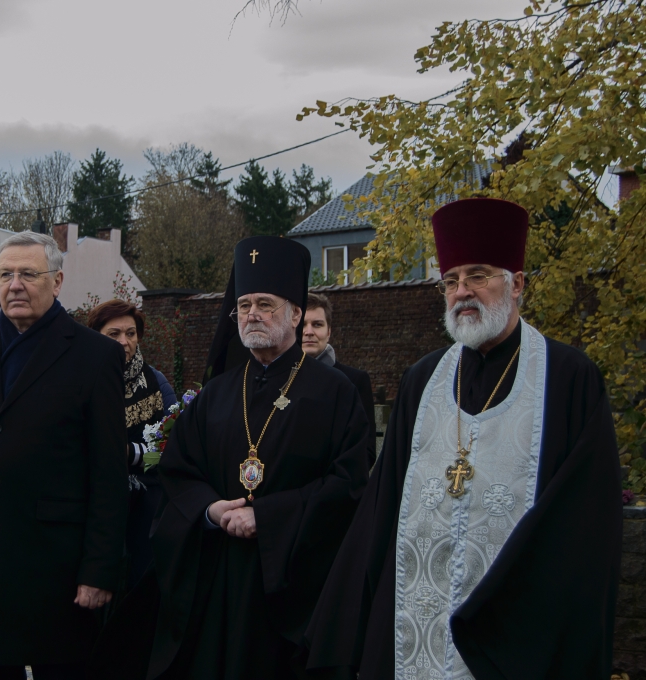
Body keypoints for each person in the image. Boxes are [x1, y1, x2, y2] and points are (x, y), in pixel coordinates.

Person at [304, 198, 622, 679]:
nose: (462, 292)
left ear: (517, 284)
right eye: (451, 280)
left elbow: (584, 524)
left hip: (513, 634)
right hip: (414, 623)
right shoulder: (422, 379)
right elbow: (383, 506)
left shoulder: (569, 378)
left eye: (478, 276)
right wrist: (346, 625)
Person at [95, 236, 371, 680]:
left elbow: (350, 484)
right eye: (243, 305)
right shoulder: (217, 393)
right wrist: (210, 510)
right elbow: (178, 471)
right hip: (216, 580)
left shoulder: (336, 393)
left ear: (295, 314)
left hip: (289, 589)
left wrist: (269, 516)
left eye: (265, 304)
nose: (252, 314)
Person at [0, 231, 128, 679]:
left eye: (28, 274)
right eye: (5, 275)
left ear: (57, 281)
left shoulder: (95, 355)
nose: (14, 285)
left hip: (55, 567)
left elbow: (108, 474)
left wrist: (98, 570)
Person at [87, 299, 177, 589]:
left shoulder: (157, 383)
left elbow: (172, 447)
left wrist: (129, 453)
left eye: (130, 333)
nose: (124, 342)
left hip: (146, 502)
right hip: (93, 501)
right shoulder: (81, 382)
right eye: (113, 334)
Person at [301, 293, 378, 467]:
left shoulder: (354, 381)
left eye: (317, 324)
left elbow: (366, 451)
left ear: (328, 332)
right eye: (302, 325)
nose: (309, 332)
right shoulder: (282, 380)